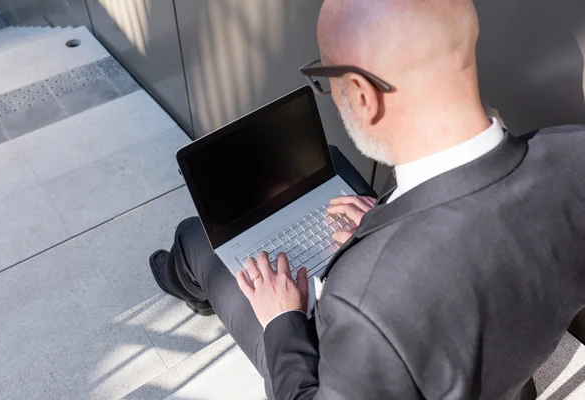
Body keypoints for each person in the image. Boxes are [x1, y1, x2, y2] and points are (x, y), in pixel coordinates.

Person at [150, 0, 585, 398]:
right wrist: (387, 221)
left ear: (361, 93)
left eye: (324, 76)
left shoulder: (365, 297)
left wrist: (282, 319)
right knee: (332, 163)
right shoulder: (573, 158)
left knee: (196, 238)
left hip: (356, 354)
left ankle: (182, 281)